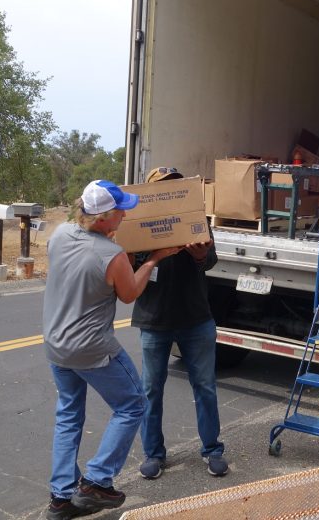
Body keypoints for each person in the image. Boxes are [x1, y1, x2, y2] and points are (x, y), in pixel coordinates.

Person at [42, 179, 181, 520]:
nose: (125, 215)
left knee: (68, 416)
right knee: (133, 405)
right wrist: (153, 260)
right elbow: (129, 293)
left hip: (57, 344)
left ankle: (61, 498)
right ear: (103, 217)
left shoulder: (60, 234)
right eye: (120, 211)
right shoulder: (112, 255)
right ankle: (97, 482)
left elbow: (82, 268)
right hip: (91, 348)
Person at [131, 166, 228, 480]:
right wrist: (153, 255)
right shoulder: (138, 224)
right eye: (162, 186)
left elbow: (211, 260)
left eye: (173, 185)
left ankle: (212, 450)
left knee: (205, 387)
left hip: (195, 318)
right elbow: (129, 267)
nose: (168, 191)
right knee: (150, 391)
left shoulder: (195, 217)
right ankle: (153, 454)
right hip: (153, 319)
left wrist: (200, 256)